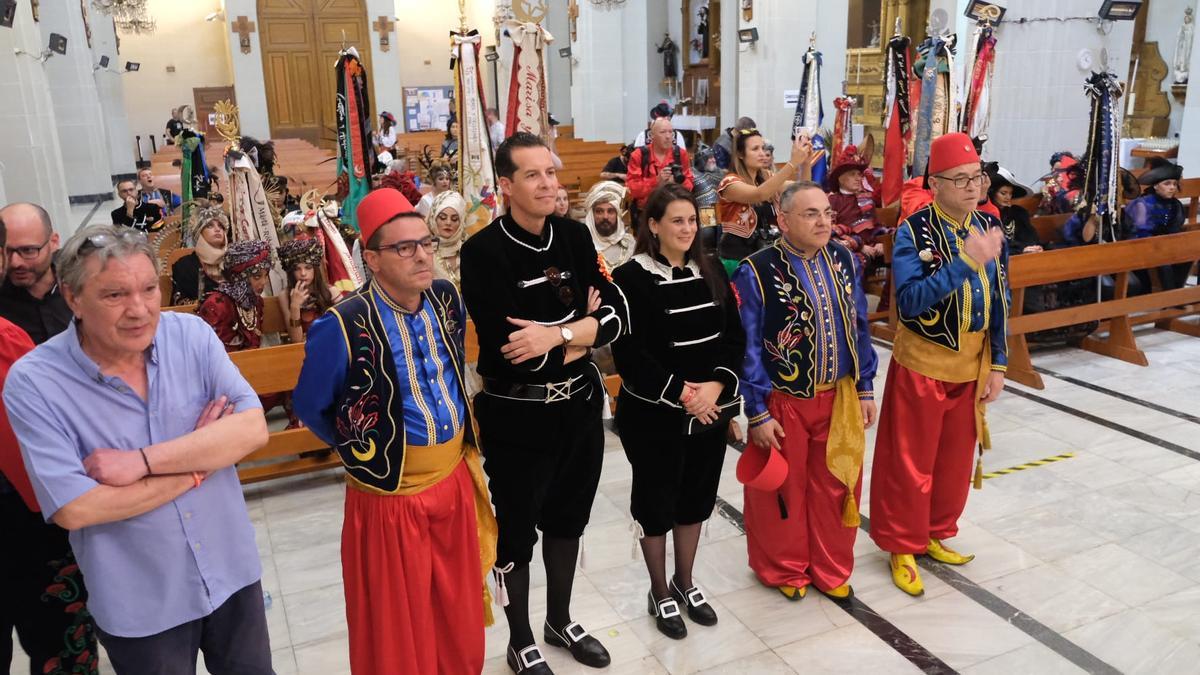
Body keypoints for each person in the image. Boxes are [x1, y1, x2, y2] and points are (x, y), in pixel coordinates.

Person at [4, 224, 273, 675]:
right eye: (114, 296)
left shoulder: (190, 335)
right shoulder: (35, 383)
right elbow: (77, 508)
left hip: (231, 571)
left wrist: (141, 463)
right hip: (143, 600)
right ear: (72, 298)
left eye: (149, 289)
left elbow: (251, 430)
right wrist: (196, 467)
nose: (139, 310)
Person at [291, 188, 498, 674]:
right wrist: (365, 449)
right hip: (389, 498)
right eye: (404, 247)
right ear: (372, 259)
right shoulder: (342, 324)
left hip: (453, 480)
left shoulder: (445, 297)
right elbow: (312, 406)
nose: (423, 255)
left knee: (455, 607)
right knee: (398, 626)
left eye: (424, 242)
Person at [460, 132, 628, 674]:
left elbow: (620, 318)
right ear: (506, 185)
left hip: (580, 407)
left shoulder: (576, 237)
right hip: (518, 415)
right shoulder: (482, 252)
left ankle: (560, 618)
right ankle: (522, 636)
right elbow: (515, 354)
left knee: (568, 520)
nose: (548, 184)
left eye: (551, 173)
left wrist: (557, 336)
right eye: (533, 175)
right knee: (517, 530)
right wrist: (584, 330)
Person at [869, 132, 1010, 596]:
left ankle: (933, 531)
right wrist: (965, 262)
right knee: (911, 461)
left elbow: (1000, 300)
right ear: (935, 183)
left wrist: (1000, 364)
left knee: (951, 462)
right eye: (962, 180)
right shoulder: (915, 230)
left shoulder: (988, 225)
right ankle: (901, 544)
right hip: (923, 363)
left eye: (978, 178)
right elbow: (909, 304)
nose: (974, 188)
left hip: (972, 363)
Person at [731, 181, 878, 601]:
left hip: (841, 397)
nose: (823, 221)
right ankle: (783, 567)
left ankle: (830, 566)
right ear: (783, 220)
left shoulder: (845, 260)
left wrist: (865, 387)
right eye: (811, 214)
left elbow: (860, 327)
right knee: (785, 489)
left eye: (828, 213)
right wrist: (757, 411)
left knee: (836, 484)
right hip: (785, 401)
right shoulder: (756, 270)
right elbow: (749, 346)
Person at [611, 183, 745, 639]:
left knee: (695, 499)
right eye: (676, 221)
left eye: (692, 220)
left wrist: (716, 386)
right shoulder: (630, 278)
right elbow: (630, 354)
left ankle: (685, 581)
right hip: (656, 414)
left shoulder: (710, 270)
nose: (687, 229)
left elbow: (734, 336)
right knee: (656, 502)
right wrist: (685, 395)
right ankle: (658, 590)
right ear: (653, 225)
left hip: (711, 410)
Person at [0, 217, 99, 675]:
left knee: (62, 644)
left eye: (27, 251)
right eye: (10, 253)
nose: (17, 262)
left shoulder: (78, 302)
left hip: (39, 519)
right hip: (34, 514)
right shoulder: (7, 338)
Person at [716, 129, 815, 268]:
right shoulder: (729, 183)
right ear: (739, 154)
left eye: (763, 148)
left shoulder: (767, 177)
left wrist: (805, 163)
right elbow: (759, 194)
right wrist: (792, 163)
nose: (762, 153)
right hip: (738, 261)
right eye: (755, 149)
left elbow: (802, 190)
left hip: (766, 257)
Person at [0, 203, 71, 344]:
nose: (15, 262)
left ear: (53, 242)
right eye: (6, 251)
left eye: (28, 250)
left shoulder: (82, 286)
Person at [1125, 160, 1193, 290]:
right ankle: (1169, 296)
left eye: (1174, 184)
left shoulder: (1175, 205)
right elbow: (1140, 232)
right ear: (1156, 186)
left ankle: (1178, 291)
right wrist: (1161, 244)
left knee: (1188, 257)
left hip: (1164, 242)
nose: (1172, 187)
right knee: (1164, 262)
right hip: (1142, 244)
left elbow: (1174, 228)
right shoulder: (1143, 204)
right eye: (1167, 184)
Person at [196, 240, 273, 352]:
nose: (264, 282)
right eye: (257, 276)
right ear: (240, 277)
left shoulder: (255, 301)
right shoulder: (217, 306)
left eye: (266, 276)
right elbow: (208, 353)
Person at [825, 145, 888, 274]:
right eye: (852, 174)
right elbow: (830, 231)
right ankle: (851, 294)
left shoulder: (866, 198)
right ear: (840, 178)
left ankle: (893, 294)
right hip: (849, 250)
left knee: (903, 254)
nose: (858, 178)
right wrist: (860, 246)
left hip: (873, 249)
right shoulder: (832, 200)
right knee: (854, 263)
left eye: (859, 174)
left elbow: (875, 226)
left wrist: (882, 243)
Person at [277, 237, 337, 343]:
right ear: (291, 272)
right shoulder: (285, 296)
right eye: (297, 269)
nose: (303, 273)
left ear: (315, 269)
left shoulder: (331, 291)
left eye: (308, 267)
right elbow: (296, 339)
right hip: (303, 351)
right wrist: (295, 307)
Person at [628, 118, 695, 212]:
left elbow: (690, 184)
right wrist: (656, 181)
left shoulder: (680, 154)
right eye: (663, 132)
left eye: (671, 132)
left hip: (675, 208)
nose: (668, 136)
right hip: (647, 211)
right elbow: (633, 189)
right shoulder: (639, 155)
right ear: (651, 136)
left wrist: (676, 183)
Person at [170, 201, 228, 305]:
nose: (217, 229)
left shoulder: (234, 261)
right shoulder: (184, 266)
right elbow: (179, 305)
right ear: (198, 232)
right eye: (210, 226)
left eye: (221, 226)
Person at [988, 167, 1042, 254]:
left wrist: (1032, 247)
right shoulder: (987, 215)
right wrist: (1020, 250)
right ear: (992, 193)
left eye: (1010, 193)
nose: (1008, 197)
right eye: (1003, 193)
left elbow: (1029, 236)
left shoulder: (1018, 213)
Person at [583, 181, 635, 269]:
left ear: (618, 215)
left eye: (610, 211)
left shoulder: (630, 244)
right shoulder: (582, 246)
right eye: (599, 211)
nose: (605, 217)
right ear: (592, 216)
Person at [426, 190, 468, 289]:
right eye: (443, 218)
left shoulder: (468, 250)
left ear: (461, 221)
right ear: (433, 218)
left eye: (454, 219)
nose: (448, 223)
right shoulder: (425, 252)